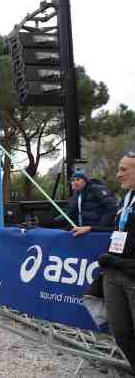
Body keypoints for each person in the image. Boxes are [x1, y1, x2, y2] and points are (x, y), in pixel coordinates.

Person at [92, 152, 135, 370]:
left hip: (131, 274)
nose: (118, 175)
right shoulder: (126, 199)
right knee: (120, 333)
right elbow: (117, 231)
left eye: (124, 169)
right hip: (114, 274)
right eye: (118, 169)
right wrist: (91, 228)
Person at [43, 170, 118, 233]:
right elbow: (69, 214)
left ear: (85, 181)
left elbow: (112, 207)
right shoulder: (76, 195)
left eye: (78, 179)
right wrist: (52, 222)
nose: (74, 182)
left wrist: (99, 228)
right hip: (83, 230)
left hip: (96, 232)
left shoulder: (97, 189)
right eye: (73, 180)